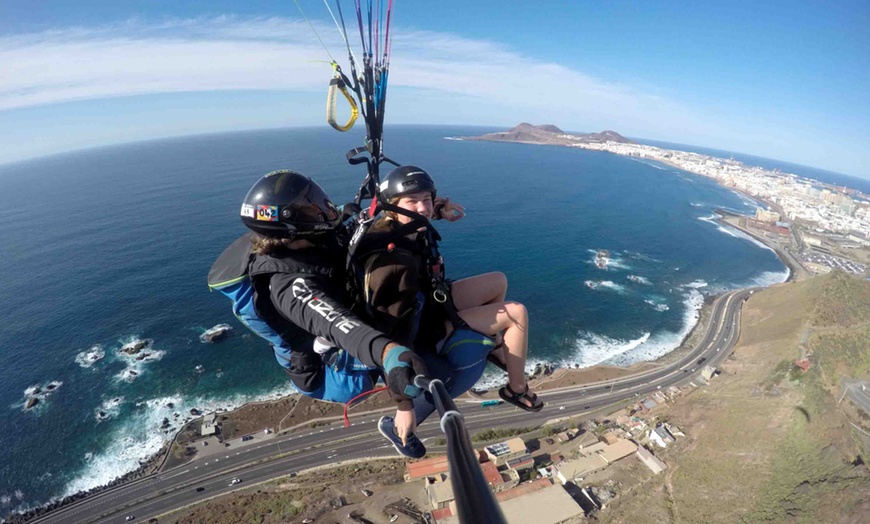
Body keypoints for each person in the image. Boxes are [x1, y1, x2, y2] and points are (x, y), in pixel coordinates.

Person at [357, 165, 543, 455]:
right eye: (412, 202)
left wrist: (439, 207)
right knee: (516, 312)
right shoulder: (393, 262)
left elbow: (418, 210)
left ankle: (496, 346)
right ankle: (516, 389)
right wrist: (404, 405)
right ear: (392, 207)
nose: (422, 208)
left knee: (497, 281)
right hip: (423, 325)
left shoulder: (397, 223)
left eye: (426, 199)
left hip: (430, 298)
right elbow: (392, 331)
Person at [210, 170, 429, 411]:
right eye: (309, 205)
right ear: (291, 222)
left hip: (327, 338)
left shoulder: (308, 238)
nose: (321, 207)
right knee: (413, 302)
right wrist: (387, 352)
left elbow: (355, 221)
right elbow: (338, 324)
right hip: (330, 377)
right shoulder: (286, 285)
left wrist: (431, 211)